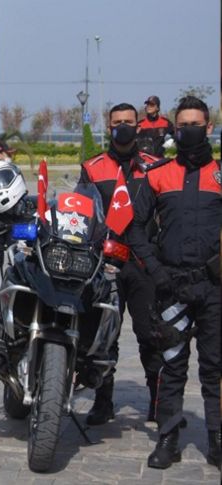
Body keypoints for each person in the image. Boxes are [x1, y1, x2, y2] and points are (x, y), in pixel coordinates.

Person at [128, 96, 220, 470]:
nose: (189, 132)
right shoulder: (158, 175)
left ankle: (216, 439)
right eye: (183, 126)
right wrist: (155, 269)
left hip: (214, 288)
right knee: (172, 364)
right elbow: (133, 227)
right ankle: (168, 438)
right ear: (174, 129)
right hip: (171, 288)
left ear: (209, 129)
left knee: (215, 366)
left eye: (196, 125)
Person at [78, 103, 162, 427]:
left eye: (129, 122)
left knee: (150, 334)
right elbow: (83, 212)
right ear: (109, 125)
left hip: (143, 266)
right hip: (106, 265)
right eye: (117, 122)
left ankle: (157, 401)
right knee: (103, 336)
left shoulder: (155, 168)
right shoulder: (93, 167)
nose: (123, 127)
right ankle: (103, 401)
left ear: (138, 126)